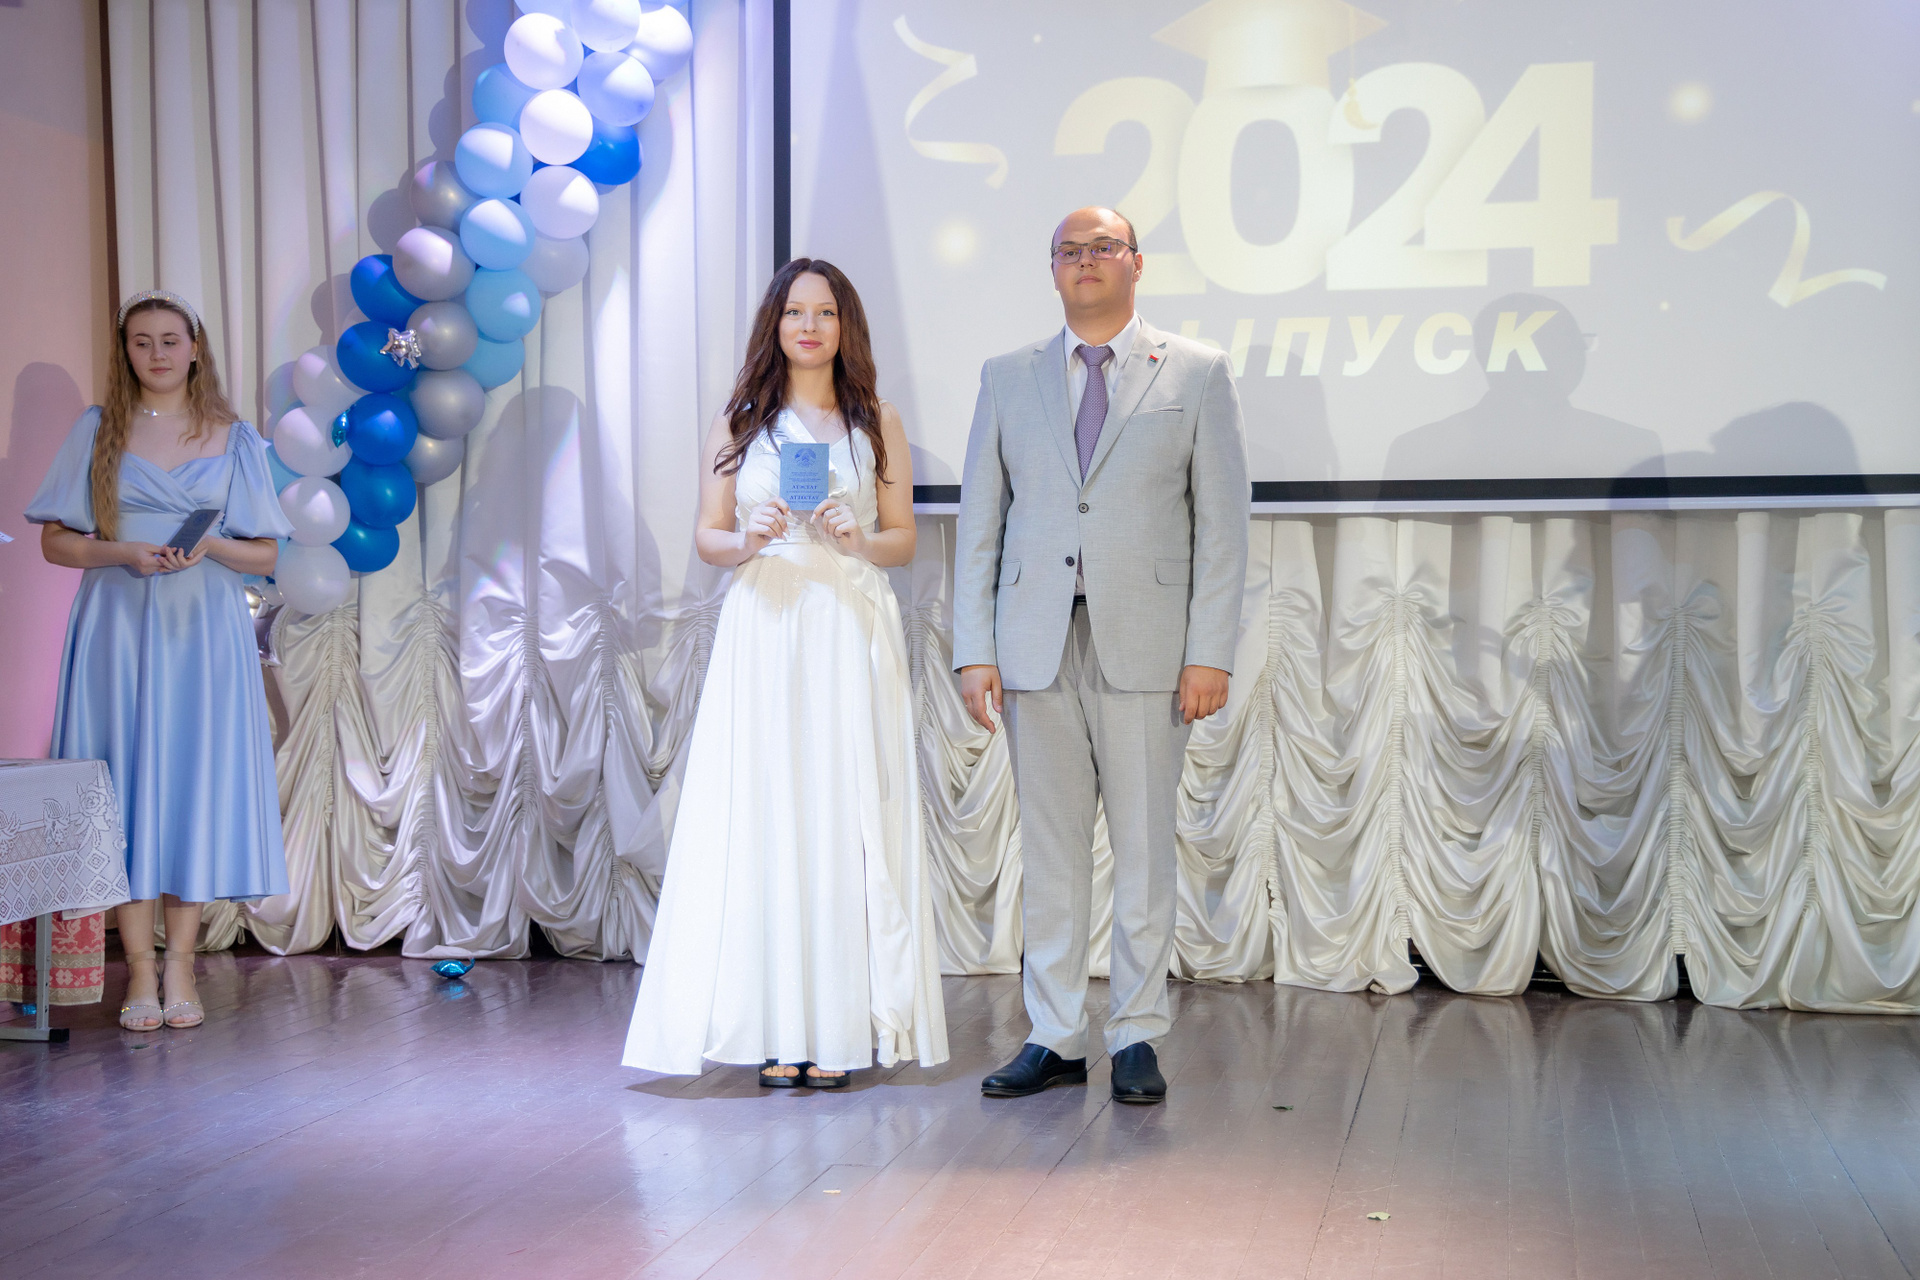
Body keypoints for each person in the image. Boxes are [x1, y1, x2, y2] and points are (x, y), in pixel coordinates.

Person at [622, 260, 948, 1085]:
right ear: (775, 323)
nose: (809, 326)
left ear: (846, 326)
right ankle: (775, 1028)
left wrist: (858, 539)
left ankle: (837, 1031)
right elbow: (709, 537)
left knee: (843, 812)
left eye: (825, 312)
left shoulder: (877, 421)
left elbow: (903, 539)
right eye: (796, 312)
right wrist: (750, 538)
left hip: (847, 622)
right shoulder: (739, 424)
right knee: (767, 814)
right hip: (765, 625)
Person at [954, 207, 1250, 1104]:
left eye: (1103, 248)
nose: (1086, 262)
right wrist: (974, 650)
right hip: (1034, 646)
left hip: (1149, 648)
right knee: (1050, 856)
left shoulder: (1195, 371)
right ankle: (1053, 1035)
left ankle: (1136, 1033)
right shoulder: (1007, 377)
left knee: (1145, 852)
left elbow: (1222, 527)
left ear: (1136, 263)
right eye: (1070, 251)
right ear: (1053, 270)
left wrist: (1211, 652)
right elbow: (981, 523)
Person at [27, 290, 291, 1031]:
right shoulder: (97, 429)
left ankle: (181, 965)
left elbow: (266, 554)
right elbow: (54, 543)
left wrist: (208, 544)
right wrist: (123, 552)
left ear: (195, 348)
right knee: (125, 789)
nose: (157, 354)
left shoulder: (235, 437)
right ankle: (139, 970)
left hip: (203, 632)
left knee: (190, 786)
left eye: (169, 340)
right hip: (116, 626)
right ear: (126, 351)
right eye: (141, 342)